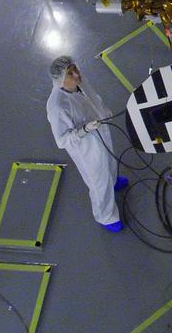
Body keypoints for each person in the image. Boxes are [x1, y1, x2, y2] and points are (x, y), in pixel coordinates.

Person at [46, 56, 127, 232]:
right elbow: (62, 140)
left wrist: (104, 112)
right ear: (60, 79)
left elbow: (94, 99)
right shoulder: (57, 106)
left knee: (110, 162)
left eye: (75, 68)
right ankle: (106, 216)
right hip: (87, 148)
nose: (76, 74)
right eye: (70, 73)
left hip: (101, 131)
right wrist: (84, 130)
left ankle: (113, 181)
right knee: (98, 181)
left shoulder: (78, 84)